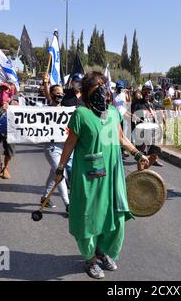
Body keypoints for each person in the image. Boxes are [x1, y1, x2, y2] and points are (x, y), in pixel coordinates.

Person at [54, 72, 149, 279]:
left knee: (113, 216)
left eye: (104, 86)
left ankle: (102, 251)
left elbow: (122, 139)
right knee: (90, 218)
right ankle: (89, 259)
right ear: (87, 91)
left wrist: (139, 154)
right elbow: (69, 145)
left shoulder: (113, 113)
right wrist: (60, 169)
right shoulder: (81, 114)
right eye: (96, 86)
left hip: (113, 175)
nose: (102, 90)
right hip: (89, 177)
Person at [40, 84, 70, 213]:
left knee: (54, 174)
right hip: (51, 148)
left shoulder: (66, 110)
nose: (60, 95)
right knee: (60, 173)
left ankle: (45, 198)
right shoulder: (45, 110)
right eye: (58, 93)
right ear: (52, 94)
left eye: (62, 93)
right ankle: (68, 205)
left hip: (64, 147)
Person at [0, 82, 18, 179]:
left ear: (10, 91)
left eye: (6, 89)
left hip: (11, 131)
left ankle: (6, 168)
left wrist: (11, 107)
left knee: (9, 152)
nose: (4, 91)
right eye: (2, 89)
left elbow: (20, 116)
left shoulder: (14, 102)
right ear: (0, 90)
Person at [132, 83, 165, 167]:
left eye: (149, 92)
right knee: (141, 153)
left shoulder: (151, 104)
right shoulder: (137, 103)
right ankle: (140, 172)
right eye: (145, 92)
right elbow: (133, 115)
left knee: (154, 150)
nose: (147, 94)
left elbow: (154, 116)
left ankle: (152, 162)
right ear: (142, 92)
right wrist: (135, 117)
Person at [113, 80, 131, 158]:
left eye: (121, 88)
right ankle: (117, 150)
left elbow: (128, 103)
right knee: (117, 133)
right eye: (119, 88)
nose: (120, 89)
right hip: (115, 116)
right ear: (116, 88)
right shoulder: (112, 94)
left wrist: (129, 94)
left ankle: (122, 150)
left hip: (124, 115)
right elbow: (110, 103)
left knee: (124, 133)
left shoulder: (125, 94)